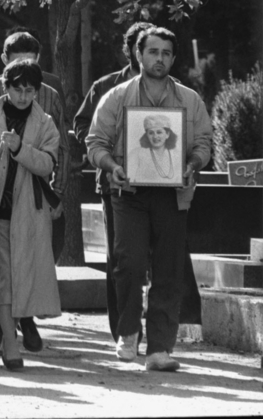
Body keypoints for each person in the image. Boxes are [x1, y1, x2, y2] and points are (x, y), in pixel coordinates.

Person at [86, 26, 212, 372]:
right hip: (129, 193)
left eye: (166, 53)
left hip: (174, 195)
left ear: (173, 58)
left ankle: (159, 349)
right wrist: (111, 166)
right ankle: (128, 333)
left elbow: (203, 142)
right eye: (153, 52)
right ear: (139, 55)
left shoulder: (189, 100)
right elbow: (95, 142)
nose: (160, 59)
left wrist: (192, 164)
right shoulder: (116, 97)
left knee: (169, 270)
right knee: (128, 262)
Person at [0, 59, 62, 371]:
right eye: (17, 89)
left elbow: (48, 165)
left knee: (22, 279)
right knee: (4, 278)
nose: (22, 96)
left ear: (37, 91)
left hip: (30, 215)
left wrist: (20, 150)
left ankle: (14, 331)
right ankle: (9, 341)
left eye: (29, 90)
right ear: (5, 87)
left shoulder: (44, 123)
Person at [73, 21, 153, 343]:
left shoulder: (169, 88)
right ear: (131, 51)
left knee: (156, 256)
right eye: (139, 48)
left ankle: (157, 328)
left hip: (160, 186)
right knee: (119, 256)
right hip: (115, 185)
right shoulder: (105, 87)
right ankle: (122, 329)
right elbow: (83, 126)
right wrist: (108, 149)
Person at [128, 114, 180, 183]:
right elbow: (128, 181)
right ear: (147, 135)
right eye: (151, 133)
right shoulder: (136, 154)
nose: (155, 136)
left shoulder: (178, 155)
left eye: (159, 132)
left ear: (167, 134)